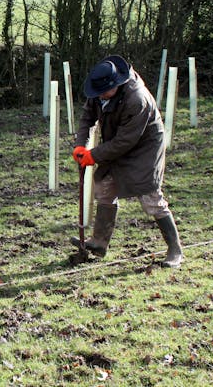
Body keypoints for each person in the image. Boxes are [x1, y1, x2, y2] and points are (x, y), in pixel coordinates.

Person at [71, 55, 184, 268]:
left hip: (144, 146)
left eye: (105, 93)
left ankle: (175, 249)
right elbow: (87, 117)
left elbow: (126, 141)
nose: (101, 97)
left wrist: (93, 155)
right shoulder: (98, 91)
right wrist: (81, 145)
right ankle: (99, 242)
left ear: (117, 84)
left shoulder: (136, 99)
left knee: (150, 196)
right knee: (104, 186)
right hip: (116, 141)